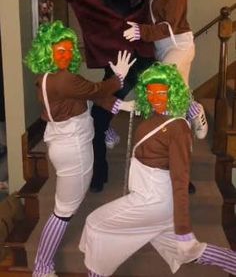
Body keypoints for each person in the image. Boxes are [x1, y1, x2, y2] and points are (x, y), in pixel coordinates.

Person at [79, 62, 236, 277]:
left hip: (153, 200)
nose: (155, 99)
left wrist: (183, 229)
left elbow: (180, 181)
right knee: (190, 251)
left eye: (161, 93)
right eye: (150, 93)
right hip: (152, 198)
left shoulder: (178, 128)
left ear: (173, 92)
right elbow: (96, 98)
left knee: (96, 226)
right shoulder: (154, 112)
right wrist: (120, 91)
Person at [36, 0, 154, 192]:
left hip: (144, 59)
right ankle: (99, 174)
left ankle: (178, 172)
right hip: (116, 67)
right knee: (98, 120)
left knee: (165, 111)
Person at [24, 20, 135, 277]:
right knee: (63, 213)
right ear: (47, 51)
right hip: (73, 149)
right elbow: (96, 90)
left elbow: (83, 99)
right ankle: (42, 267)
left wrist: (120, 107)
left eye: (67, 50)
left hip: (64, 142)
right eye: (58, 51)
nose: (64, 55)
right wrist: (118, 77)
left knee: (66, 205)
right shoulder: (64, 80)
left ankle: (107, 132)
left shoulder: (46, 76)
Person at [123, 0, 208, 141]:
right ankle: (193, 113)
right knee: (177, 89)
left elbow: (168, 25)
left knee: (167, 84)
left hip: (179, 44)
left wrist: (141, 32)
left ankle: (180, 127)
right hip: (162, 47)